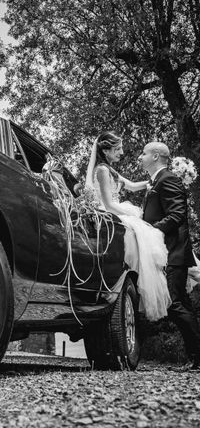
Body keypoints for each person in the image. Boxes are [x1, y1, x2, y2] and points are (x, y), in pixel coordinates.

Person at [84, 132, 171, 321]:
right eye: (117, 149)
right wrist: (133, 214)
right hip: (111, 212)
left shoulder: (110, 170)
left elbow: (131, 186)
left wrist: (155, 181)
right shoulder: (101, 170)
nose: (121, 152)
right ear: (105, 150)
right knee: (144, 233)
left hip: (118, 209)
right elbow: (108, 205)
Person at [139, 141, 200, 370]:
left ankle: (196, 357)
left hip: (174, 251)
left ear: (155, 156)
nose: (140, 157)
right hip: (168, 252)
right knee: (180, 304)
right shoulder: (156, 181)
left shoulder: (168, 179)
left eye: (144, 153)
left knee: (175, 304)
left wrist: (151, 230)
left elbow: (177, 215)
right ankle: (195, 358)